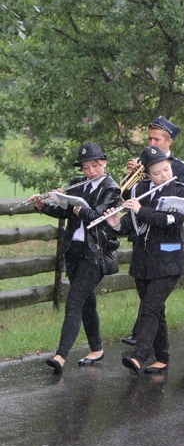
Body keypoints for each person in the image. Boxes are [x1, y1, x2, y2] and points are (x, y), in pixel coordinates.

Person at [105, 146, 184, 374]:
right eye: (157, 172)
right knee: (156, 310)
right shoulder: (139, 190)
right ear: (147, 174)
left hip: (170, 256)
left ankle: (139, 356)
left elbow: (170, 221)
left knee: (149, 308)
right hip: (143, 260)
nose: (164, 175)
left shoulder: (180, 191)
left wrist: (141, 210)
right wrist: (115, 223)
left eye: (166, 169)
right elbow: (132, 224)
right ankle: (162, 356)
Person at [36, 142, 120, 373]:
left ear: (104, 163)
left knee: (74, 301)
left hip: (96, 253)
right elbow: (64, 212)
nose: (91, 171)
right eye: (86, 167)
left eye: (95, 165)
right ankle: (97, 349)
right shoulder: (77, 183)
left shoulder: (112, 188)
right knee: (86, 303)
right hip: (75, 251)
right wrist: (43, 205)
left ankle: (61, 356)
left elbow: (96, 216)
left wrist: (77, 207)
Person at [121, 115, 184, 345]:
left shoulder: (178, 167)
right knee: (151, 300)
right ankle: (155, 347)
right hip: (145, 239)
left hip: (169, 242)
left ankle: (143, 343)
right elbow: (125, 196)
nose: (151, 143)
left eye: (157, 139)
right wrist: (133, 176)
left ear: (168, 141)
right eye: (149, 138)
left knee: (154, 298)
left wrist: (147, 212)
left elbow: (182, 207)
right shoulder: (144, 166)